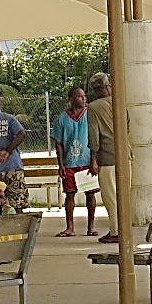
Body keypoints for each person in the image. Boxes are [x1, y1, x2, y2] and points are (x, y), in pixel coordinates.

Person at [52, 85, 98, 237]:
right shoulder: (62, 119)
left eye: (84, 96)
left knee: (90, 194)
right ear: (71, 99)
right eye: (79, 96)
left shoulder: (90, 115)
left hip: (86, 161)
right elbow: (58, 142)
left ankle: (91, 226)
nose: (83, 98)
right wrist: (61, 164)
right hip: (70, 162)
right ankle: (70, 226)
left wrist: (94, 160)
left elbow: (95, 138)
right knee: (70, 194)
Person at [86, 72, 119, 244]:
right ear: (107, 86)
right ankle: (122, 228)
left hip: (107, 157)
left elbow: (94, 135)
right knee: (122, 195)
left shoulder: (93, 107)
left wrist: (93, 159)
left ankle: (115, 231)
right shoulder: (119, 101)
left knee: (110, 196)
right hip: (124, 154)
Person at [0, 90, 29, 212]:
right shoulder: (8, 118)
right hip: (13, 167)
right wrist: (7, 151)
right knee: (18, 204)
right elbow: (21, 134)